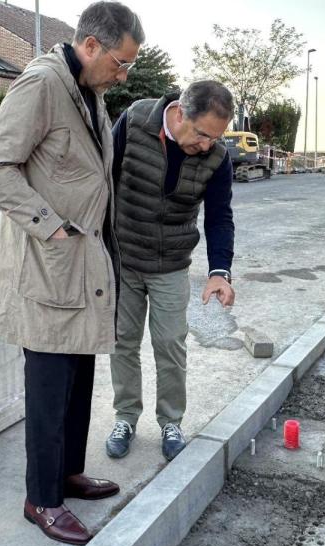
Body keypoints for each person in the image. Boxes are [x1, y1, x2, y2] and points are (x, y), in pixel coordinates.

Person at [0, 1, 143, 546]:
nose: (122, 75)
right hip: (49, 268)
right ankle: (40, 499)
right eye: (120, 62)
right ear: (90, 45)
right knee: (48, 390)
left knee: (77, 379)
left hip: (84, 267)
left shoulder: (90, 94)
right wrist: (49, 226)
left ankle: (68, 474)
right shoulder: (41, 85)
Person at [104, 80, 236, 462]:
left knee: (170, 344)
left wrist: (220, 271)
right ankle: (126, 417)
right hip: (124, 258)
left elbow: (220, 217)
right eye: (202, 134)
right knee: (122, 341)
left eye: (215, 137)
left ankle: (171, 422)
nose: (208, 144)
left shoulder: (217, 157)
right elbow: (103, 178)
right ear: (179, 114)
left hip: (171, 265)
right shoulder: (134, 121)